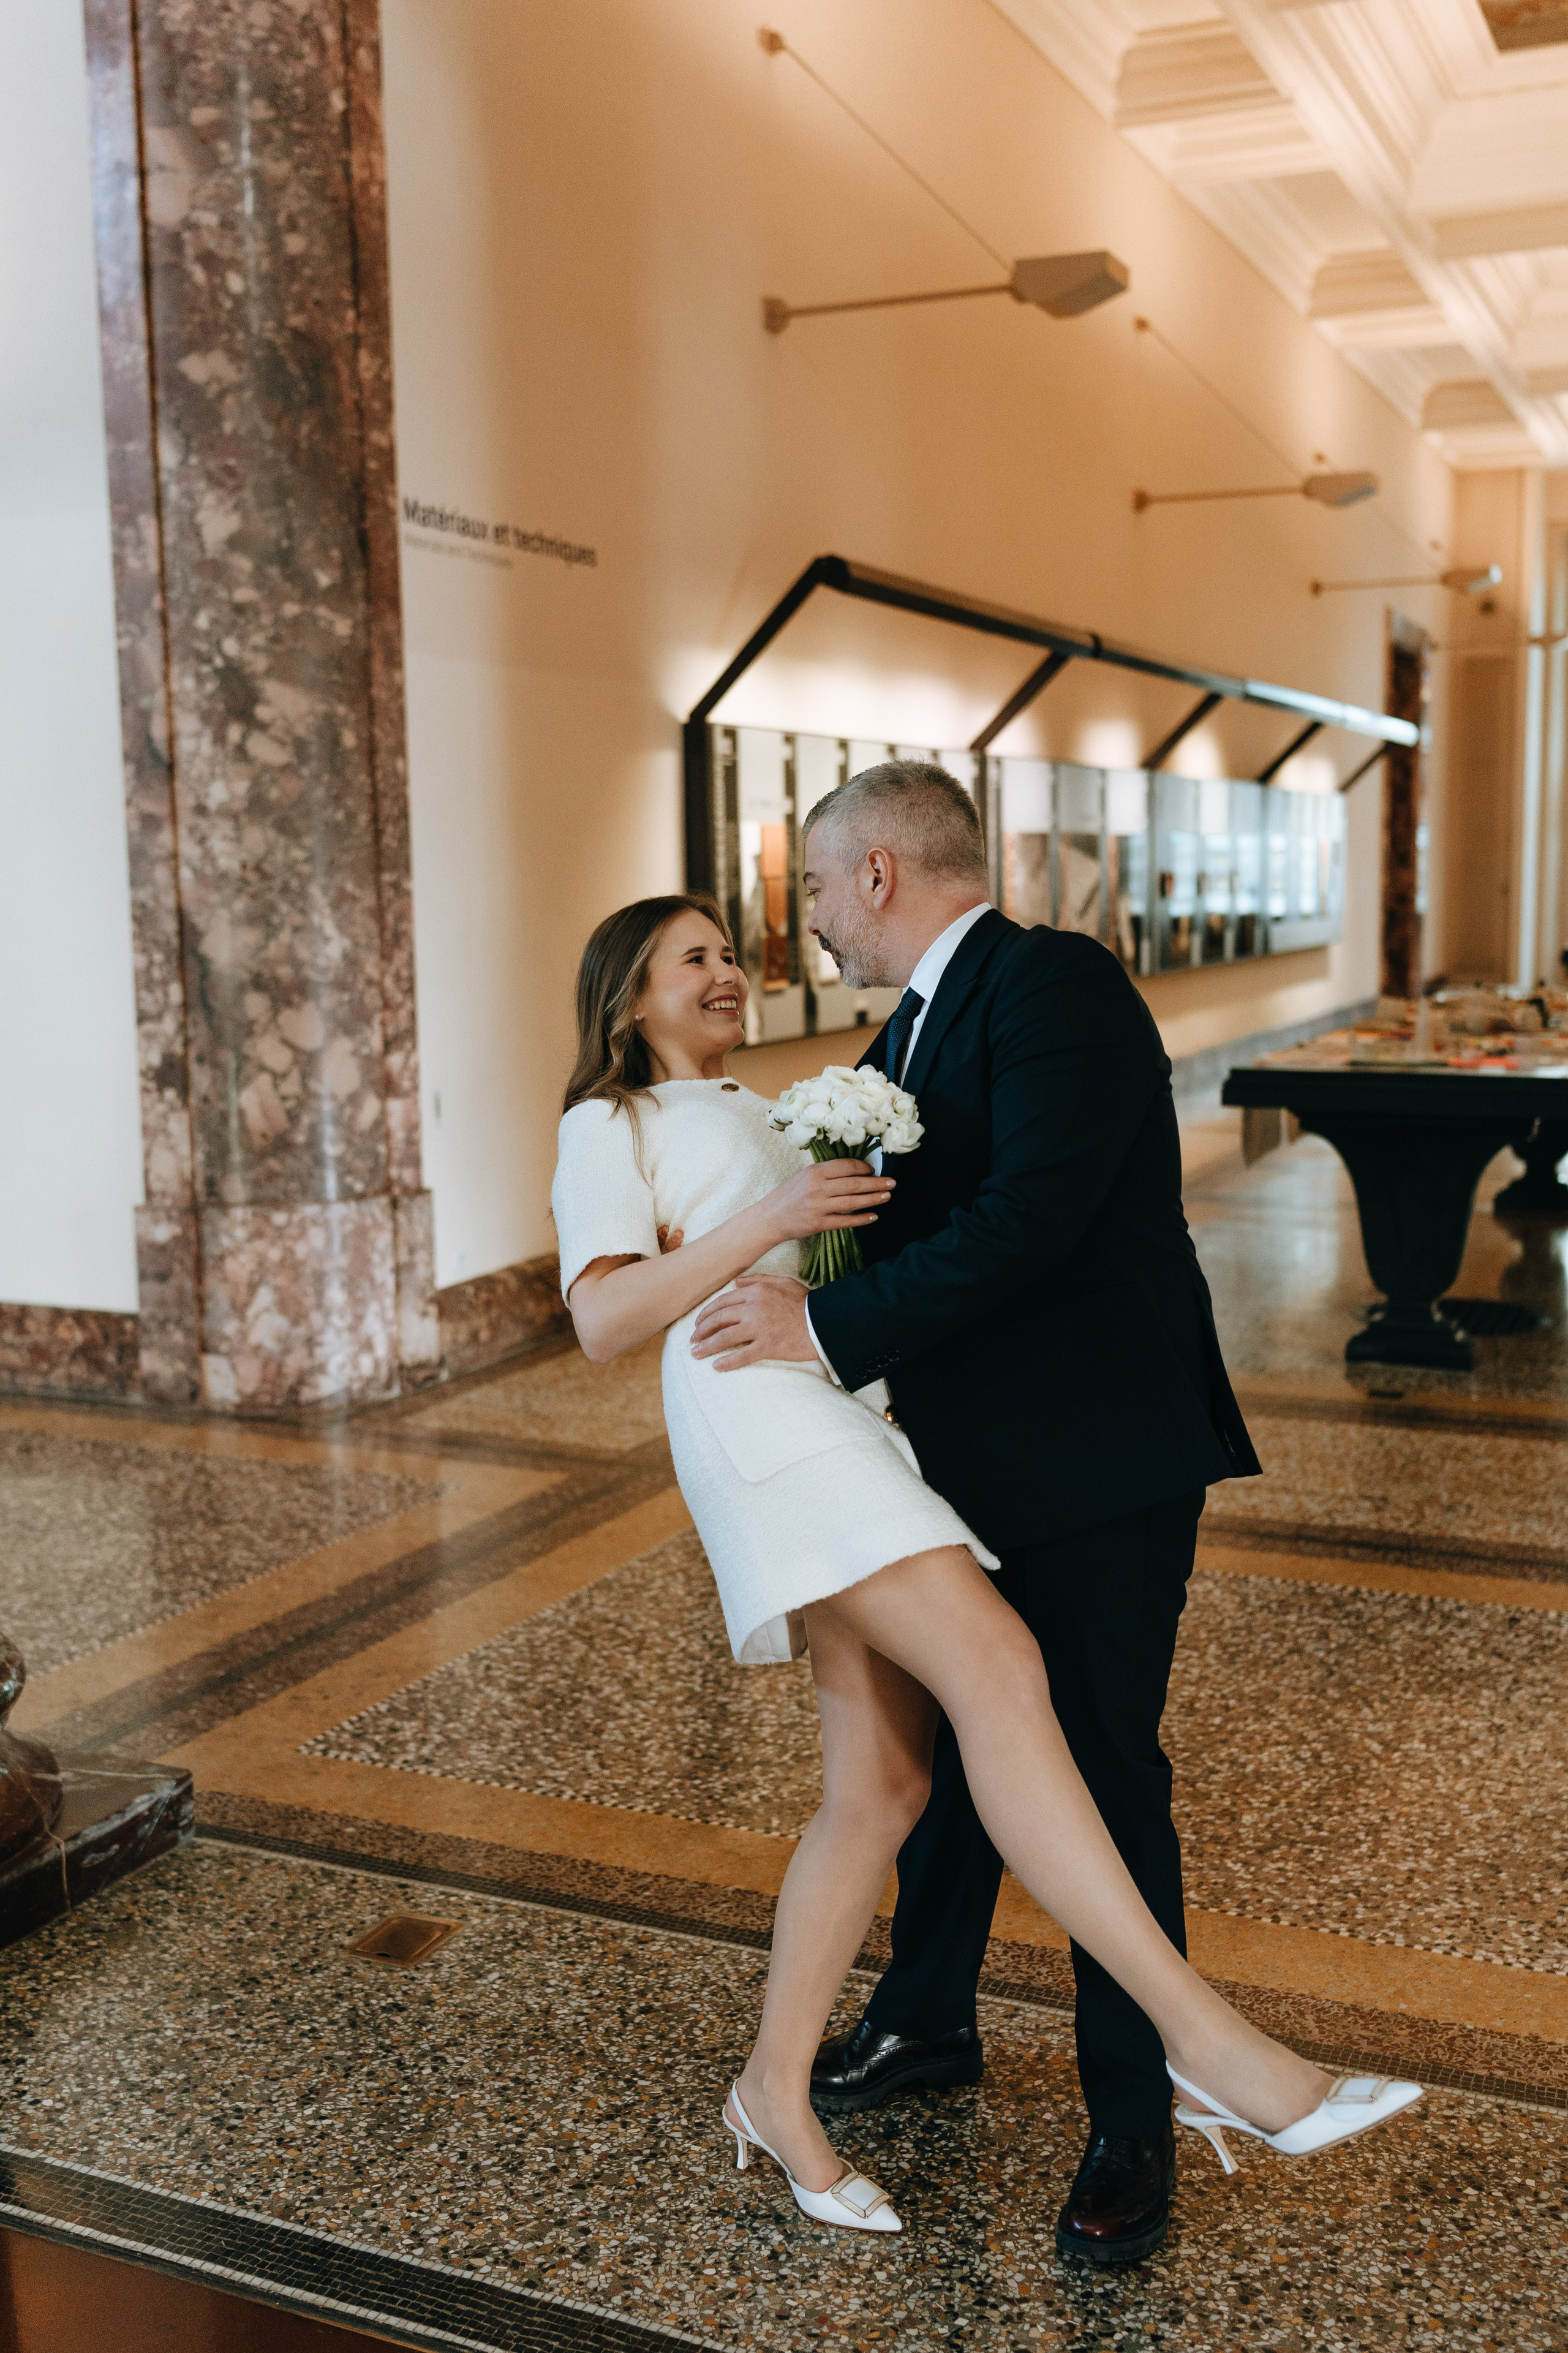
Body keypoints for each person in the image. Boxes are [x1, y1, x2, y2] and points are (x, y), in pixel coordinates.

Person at [551, 850, 1420, 2244]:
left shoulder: (757, 1100)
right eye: (689, 958)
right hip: (767, 1418)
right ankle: (1205, 2047)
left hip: (844, 1408)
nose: (727, 970)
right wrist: (777, 1220)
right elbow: (600, 1320)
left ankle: (775, 2089)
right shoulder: (612, 1120)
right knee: (1005, 1675)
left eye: (728, 948)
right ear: (626, 999)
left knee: (882, 1787)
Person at [690, 759, 1265, 2262]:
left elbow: (1032, 1220)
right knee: (939, 1747)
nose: (809, 922)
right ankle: (927, 2020)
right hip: (956, 1454)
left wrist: (818, 1337)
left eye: (814, 889)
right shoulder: (912, 1023)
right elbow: (898, 1213)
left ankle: (1132, 2117)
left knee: (1093, 1765)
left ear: (876, 874)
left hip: (1094, 1455)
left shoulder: (1051, 982)